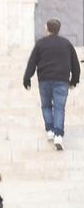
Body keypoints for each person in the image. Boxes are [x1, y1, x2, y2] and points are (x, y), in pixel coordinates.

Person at [24, 18, 81, 150]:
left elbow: (32, 62)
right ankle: (58, 135)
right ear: (58, 29)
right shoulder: (66, 43)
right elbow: (75, 65)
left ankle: (50, 130)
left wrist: (27, 78)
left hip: (45, 80)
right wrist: (74, 81)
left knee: (46, 106)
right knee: (59, 108)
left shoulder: (40, 44)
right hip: (62, 80)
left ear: (47, 28)